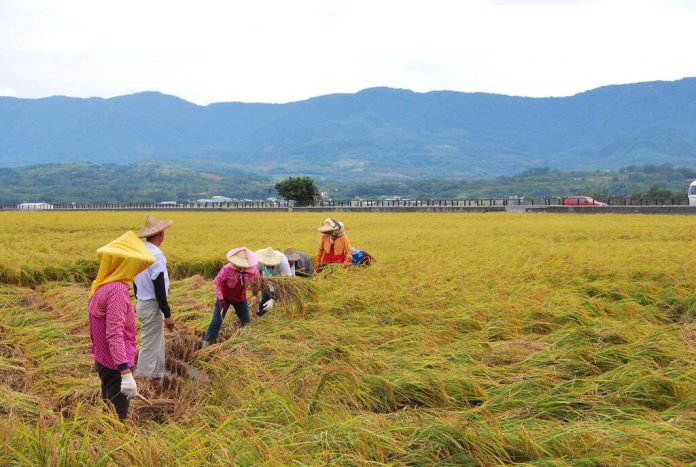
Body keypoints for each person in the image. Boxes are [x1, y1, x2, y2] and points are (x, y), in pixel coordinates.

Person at [88, 231, 156, 421]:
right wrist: (125, 373)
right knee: (118, 418)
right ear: (125, 264)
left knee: (109, 410)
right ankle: (114, 448)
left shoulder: (102, 286)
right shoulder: (117, 291)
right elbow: (114, 334)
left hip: (103, 360)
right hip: (115, 365)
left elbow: (95, 329)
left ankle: (102, 442)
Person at [133, 215, 174, 391]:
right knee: (150, 344)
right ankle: (140, 384)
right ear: (160, 234)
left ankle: (156, 379)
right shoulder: (157, 255)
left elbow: (134, 281)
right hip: (151, 304)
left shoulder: (139, 252)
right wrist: (167, 314)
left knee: (158, 342)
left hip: (142, 302)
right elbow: (159, 287)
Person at [202, 247, 260, 347]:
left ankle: (243, 344)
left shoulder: (253, 272)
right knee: (217, 321)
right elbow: (217, 282)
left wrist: (255, 295)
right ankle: (206, 344)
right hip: (224, 297)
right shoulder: (227, 269)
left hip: (240, 298)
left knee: (246, 322)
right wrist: (220, 298)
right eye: (239, 264)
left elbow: (256, 284)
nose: (241, 267)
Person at [254, 247, 292, 316]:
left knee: (283, 301)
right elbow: (254, 277)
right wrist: (255, 295)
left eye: (269, 264)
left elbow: (286, 284)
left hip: (281, 281)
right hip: (268, 279)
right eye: (266, 263)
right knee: (263, 305)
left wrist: (273, 300)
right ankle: (261, 313)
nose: (267, 266)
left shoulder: (283, 262)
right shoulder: (260, 261)